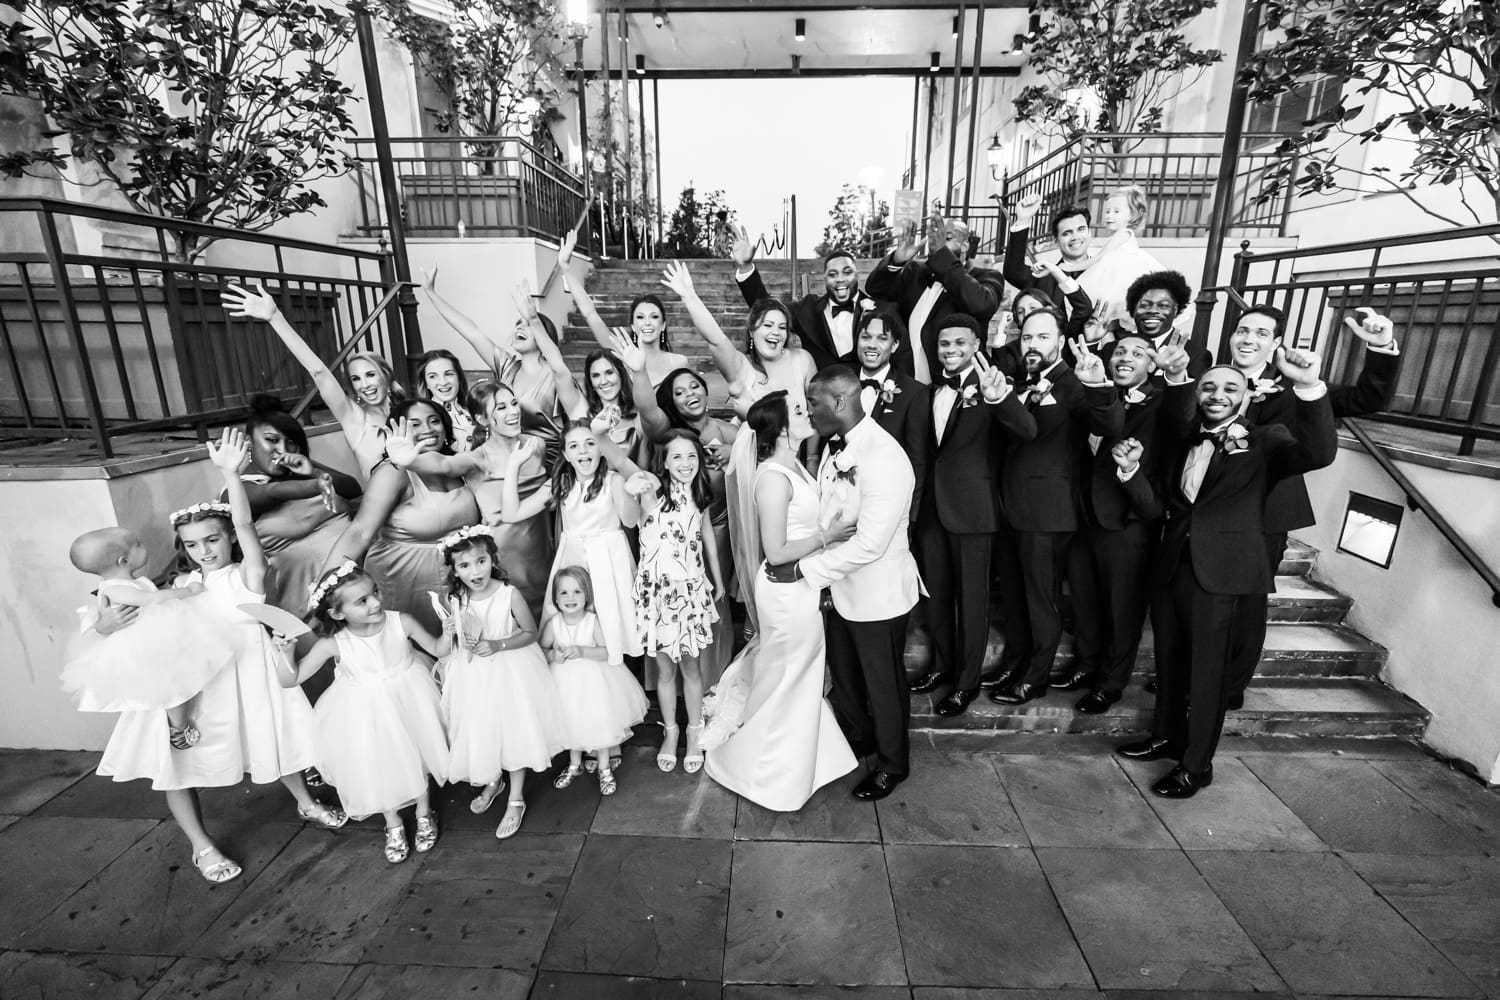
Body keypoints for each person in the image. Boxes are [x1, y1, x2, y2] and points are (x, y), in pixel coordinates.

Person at [1115, 353, 1337, 797]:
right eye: (1209, 388)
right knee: (1170, 659)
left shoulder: (1267, 440)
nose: (1217, 395)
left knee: (1207, 672)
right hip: (1173, 565)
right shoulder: (1184, 442)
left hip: (1224, 571)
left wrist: (1310, 387)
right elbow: (1161, 507)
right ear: (1198, 395)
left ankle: (1196, 765)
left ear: (1247, 396)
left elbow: (1318, 452)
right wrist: (1131, 471)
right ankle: (1165, 736)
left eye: (1229, 388)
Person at [1221, 305, 1402, 708]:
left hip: (1265, 514)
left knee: (1245, 607)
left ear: (1276, 343)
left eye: (1261, 333)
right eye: (1242, 330)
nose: (1249, 339)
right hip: (1208, 512)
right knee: (1200, 599)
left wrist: (1381, 347)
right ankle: (1189, 674)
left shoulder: (1296, 386)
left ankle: (1229, 686)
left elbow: (1367, 397)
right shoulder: (1214, 380)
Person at [169, 430, 347, 829]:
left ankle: (305, 801)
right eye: (193, 545)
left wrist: (232, 475)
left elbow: (246, 524)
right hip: (211, 676)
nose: (205, 551)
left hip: (253, 669)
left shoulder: (247, 575)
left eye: (212, 539)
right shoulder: (184, 587)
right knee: (202, 749)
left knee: (275, 738)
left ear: (228, 536)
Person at [766, 365, 923, 801]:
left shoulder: (884, 457)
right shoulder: (838, 448)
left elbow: (871, 544)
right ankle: (862, 740)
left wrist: (803, 572)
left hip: (878, 594)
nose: (809, 412)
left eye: (813, 403)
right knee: (848, 679)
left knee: (883, 684)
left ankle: (894, 764)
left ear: (839, 401)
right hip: (839, 591)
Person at [702, 391, 859, 810]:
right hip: (785, 590)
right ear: (781, 427)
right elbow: (775, 551)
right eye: (799, 410)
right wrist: (828, 537)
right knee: (789, 673)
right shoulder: (772, 477)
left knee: (796, 673)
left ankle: (806, 761)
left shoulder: (798, 469)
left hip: (802, 586)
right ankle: (764, 772)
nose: (809, 411)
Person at [990, 309, 1125, 706]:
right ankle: (1015, 664)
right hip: (1012, 509)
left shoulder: (1074, 382)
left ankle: (1035, 678)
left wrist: (1099, 384)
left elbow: (1111, 425)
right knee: (1015, 596)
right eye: (1027, 337)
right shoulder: (1023, 382)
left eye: (1043, 337)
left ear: (1060, 340)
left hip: (1049, 513)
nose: (1033, 344)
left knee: (1039, 600)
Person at [907, 315, 1036, 717]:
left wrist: (1000, 398)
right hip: (931, 512)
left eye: (959, 343)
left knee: (972, 601)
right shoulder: (928, 391)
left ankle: (966, 684)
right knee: (938, 598)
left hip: (975, 513)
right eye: (944, 344)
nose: (950, 350)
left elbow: (1027, 430)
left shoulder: (993, 389)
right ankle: (942, 667)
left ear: (976, 344)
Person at [1066, 335, 1196, 713]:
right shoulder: (1092, 395)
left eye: (1138, 353)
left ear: (1152, 365)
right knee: (1085, 600)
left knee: (1123, 608)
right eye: (1120, 351)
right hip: (1082, 517)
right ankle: (1085, 664)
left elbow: (1184, 418)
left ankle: (1111, 681)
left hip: (1129, 520)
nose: (1125, 357)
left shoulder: (1162, 403)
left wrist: (1177, 376)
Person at [296, 562, 451, 860]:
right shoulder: (334, 643)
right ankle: (392, 822)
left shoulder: (400, 622)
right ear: (337, 613)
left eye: (375, 592)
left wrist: (447, 633)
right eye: (363, 601)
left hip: (410, 696)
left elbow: (438, 649)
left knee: (418, 751)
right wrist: (285, 651)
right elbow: (292, 678)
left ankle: (423, 811)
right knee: (375, 760)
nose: (376, 602)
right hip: (362, 710)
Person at [616, 340, 738, 684]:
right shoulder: (666, 434)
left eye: (695, 386)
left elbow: (762, 443)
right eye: (680, 392)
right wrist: (638, 372)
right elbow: (647, 409)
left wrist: (735, 450)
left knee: (716, 608)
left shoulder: (726, 430)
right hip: (674, 540)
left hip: (719, 531)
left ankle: (714, 684)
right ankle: (673, 686)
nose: (690, 394)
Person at [434, 526, 564, 840]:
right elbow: (442, 650)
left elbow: (530, 633)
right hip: (472, 676)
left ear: (493, 558)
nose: (474, 570)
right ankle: (494, 780)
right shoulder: (455, 598)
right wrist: (448, 631)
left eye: (481, 561)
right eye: (464, 565)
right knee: (483, 729)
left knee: (513, 731)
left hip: (509, 670)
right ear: (454, 569)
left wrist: (497, 644)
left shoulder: (508, 594)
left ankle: (515, 797)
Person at [389, 382, 554, 623]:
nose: (513, 411)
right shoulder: (478, 458)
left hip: (542, 547)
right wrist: (409, 461)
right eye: (501, 407)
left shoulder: (536, 446)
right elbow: (443, 464)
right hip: (504, 555)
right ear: (483, 419)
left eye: (514, 403)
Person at [62, 528, 233, 750]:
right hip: (143, 647)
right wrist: (189, 591)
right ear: (124, 561)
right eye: (138, 545)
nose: (144, 546)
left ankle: (181, 720)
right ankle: (178, 726)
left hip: (158, 639)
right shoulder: (115, 589)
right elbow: (153, 599)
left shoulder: (133, 582)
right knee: (171, 684)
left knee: (182, 677)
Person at [324, 400, 480, 637]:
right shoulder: (393, 472)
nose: (428, 429)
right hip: (404, 578)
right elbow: (360, 532)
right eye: (414, 424)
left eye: (434, 420)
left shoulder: (458, 465)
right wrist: (325, 584)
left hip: (457, 577)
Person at [223, 283, 401, 480]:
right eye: (356, 379)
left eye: (370, 375)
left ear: (386, 374)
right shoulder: (355, 419)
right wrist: (275, 318)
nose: (365, 385)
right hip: (390, 506)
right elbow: (319, 372)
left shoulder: (408, 411)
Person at [628, 430, 726, 775]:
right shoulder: (652, 493)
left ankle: (693, 729)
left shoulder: (699, 493)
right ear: (664, 463)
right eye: (677, 457)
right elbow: (625, 473)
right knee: (666, 669)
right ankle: (670, 731)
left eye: (692, 457)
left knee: (692, 668)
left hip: (690, 591)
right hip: (658, 594)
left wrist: (715, 576)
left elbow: (707, 536)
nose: (685, 464)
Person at [508, 423, 642, 668]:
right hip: (572, 558)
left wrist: (631, 493)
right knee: (572, 621)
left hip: (609, 560)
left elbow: (631, 521)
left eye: (590, 443)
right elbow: (511, 513)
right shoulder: (560, 483)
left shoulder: (613, 480)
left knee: (608, 624)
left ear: (600, 448)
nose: (583, 451)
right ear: (566, 455)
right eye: (574, 446)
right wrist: (514, 466)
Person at [421, 269, 566, 464]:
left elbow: (567, 427)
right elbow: (472, 332)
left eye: (527, 324)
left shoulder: (555, 375)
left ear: (543, 334)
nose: (519, 328)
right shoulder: (507, 366)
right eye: (518, 324)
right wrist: (432, 294)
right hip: (506, 458)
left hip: (546, 462)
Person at [234, 396, 363, 616]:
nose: (282, 449)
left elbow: (352, 488)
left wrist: (311, 470)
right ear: (249, 441)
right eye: (271, 440)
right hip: (300, 600)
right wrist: (315, 484)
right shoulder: (237, 487)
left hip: (354, 582)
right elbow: (271, 492)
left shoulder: (299, 468)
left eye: (290, 442)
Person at [731, 231, 914, 376]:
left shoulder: (884, 310)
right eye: (833, 275)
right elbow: (768, 311)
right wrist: (746, 268)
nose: (840, 280)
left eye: (847, 272)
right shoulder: (807, 309)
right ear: (824, 279)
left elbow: (902, 359)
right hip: (822, 404)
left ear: (857, 275)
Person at [543, 565, 650, 797]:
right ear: (555, 597)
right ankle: (574, 764)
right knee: (569, 722)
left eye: (577, 592)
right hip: (563, 684)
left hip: (594, 684)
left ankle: (604, 767)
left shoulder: (592, 621)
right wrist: (554, 654)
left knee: (598, 723)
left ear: (587, 595)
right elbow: (542, 649)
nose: (570, 598)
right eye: (564, 593)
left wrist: (582, 652)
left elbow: (607, 652)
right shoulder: (554, 624)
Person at [865, 213, 1005, 383]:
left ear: (965, 245)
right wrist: (897, 260)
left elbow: (981, 305)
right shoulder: (916, 272)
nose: (935, 243)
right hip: (911, 384)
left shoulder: (987, 277)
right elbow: (876, 289)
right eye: (934, 238)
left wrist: (941, 254)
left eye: (945, 238)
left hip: (958, 386)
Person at [557, 227, 690, 387]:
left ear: (663, 326)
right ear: (633, 326)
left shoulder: (679, 362)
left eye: (654, 317)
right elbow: (589, 313)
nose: (647, 322)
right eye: (640, 317)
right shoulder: (624, 354)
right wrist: (565, 267)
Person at [852, 308, 929, 512]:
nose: (872, 345)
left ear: (894, 345)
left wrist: (910, 515)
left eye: (882, 338)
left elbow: (917, 460)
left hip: (890, 507)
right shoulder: (840, 383)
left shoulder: (914, 393)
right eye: (866, 337)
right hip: (844, 502)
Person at [1075, 187, 1179, 331]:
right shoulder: (1119, 235)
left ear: (1133, 215)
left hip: (1122, 276)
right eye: (1107, 211)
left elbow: (1099, 258)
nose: (1109, 216)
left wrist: (1072, 267)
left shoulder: (1123, 234)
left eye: (1116, 212)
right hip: (1116, 275)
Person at [1003, 197, 1094, 321]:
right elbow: (1013, 271)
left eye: (1081, 229)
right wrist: (1023, 220)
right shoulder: (1044, 277)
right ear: (1056, 241)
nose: (1075, 237)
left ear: (1090, 233)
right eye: (1067, 233)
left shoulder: (1107, 270)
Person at [416, 349, 477, 452]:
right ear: (426, 383)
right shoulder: (420, 419)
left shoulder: (474, 410)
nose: (443, 382)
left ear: (459, 378)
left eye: (448, 374)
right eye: (433, 376)